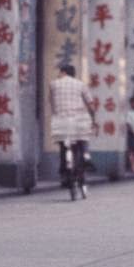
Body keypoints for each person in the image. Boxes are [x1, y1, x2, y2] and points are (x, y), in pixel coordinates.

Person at [48, 64, 96, 194]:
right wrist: (93, 119)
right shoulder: (81, 84)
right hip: (79, 118)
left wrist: (56, 116)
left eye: (59, 72)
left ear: (63, 72)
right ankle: (86, 155)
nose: (58, 74)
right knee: (83, 138)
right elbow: (91, 105)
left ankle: (64, 170)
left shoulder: (53, 84)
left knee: (64, 146)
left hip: (61, 120)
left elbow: (52, 104)